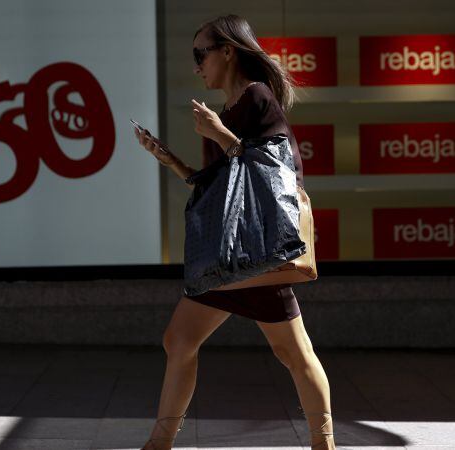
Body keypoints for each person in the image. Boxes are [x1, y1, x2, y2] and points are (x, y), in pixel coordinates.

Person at [133, 15, 335, 450]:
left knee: (294, 354)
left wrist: (223, 135)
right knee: (180, 340)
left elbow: (276, 172)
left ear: (228, 51)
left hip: (257, 251)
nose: (196, 66)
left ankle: (325, 445)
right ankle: (158, 443)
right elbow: (228, 185)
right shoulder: (227, 109)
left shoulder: (257, 97)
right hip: (233, 257)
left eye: (200, 54)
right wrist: (175, 163)